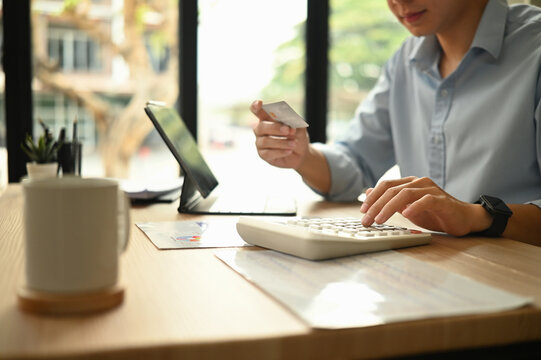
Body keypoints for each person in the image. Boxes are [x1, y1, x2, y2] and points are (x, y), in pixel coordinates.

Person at [250, 0, 541, 245]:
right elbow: (356, 163)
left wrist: (476, 215)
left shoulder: (534, 49)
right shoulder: (405, 61)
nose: (398, 2)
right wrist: (302, 154)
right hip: (431, 270)